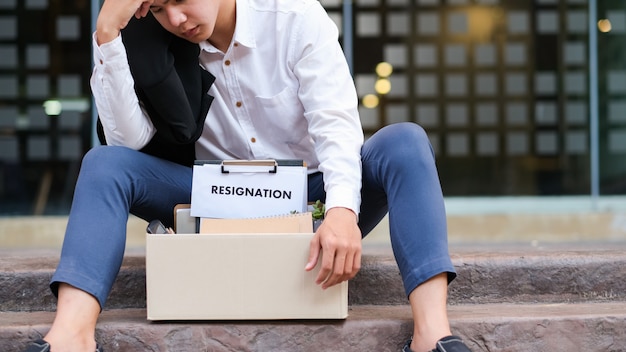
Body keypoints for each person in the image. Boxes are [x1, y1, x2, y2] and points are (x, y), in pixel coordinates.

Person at [23, 0, 473, 351]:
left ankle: (431, 336)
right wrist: (108, 35)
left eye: (181, 1)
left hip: (309, 199)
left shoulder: (293, 17)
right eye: (159, 9)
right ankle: (71, 337)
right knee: (103, 163)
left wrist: (340, 212)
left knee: (405, 142)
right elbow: (127, 143)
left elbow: (335, 123)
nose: (177, 18)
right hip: (214, 200)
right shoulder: (151, 43)